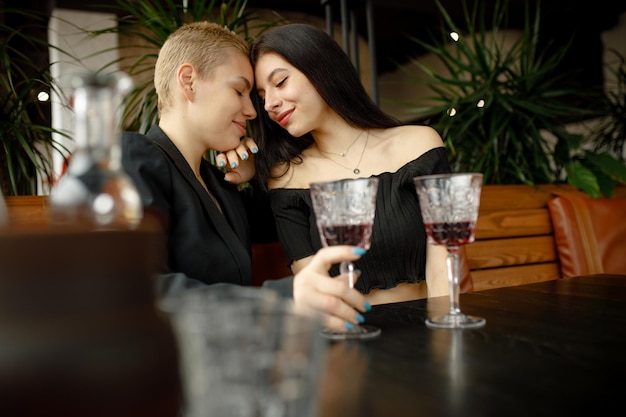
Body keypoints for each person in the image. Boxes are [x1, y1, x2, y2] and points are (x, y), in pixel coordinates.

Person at [121, 21, 370, 331]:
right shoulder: (132, 156)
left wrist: (255, 174)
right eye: (239, 90)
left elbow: (285, 219)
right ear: (188, 82)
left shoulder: (221, 184)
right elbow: (138, 290)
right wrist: (284, 299)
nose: (254, 111)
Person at [249, 23, 450, 305]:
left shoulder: (419, 145)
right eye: (261, 97)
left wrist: (445, 337)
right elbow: (315, 290)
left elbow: (442, 260)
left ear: (322, 68)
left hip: (425, 330)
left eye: (280, 82)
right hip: (348, 336)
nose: (270, 103)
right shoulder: (286, 178)